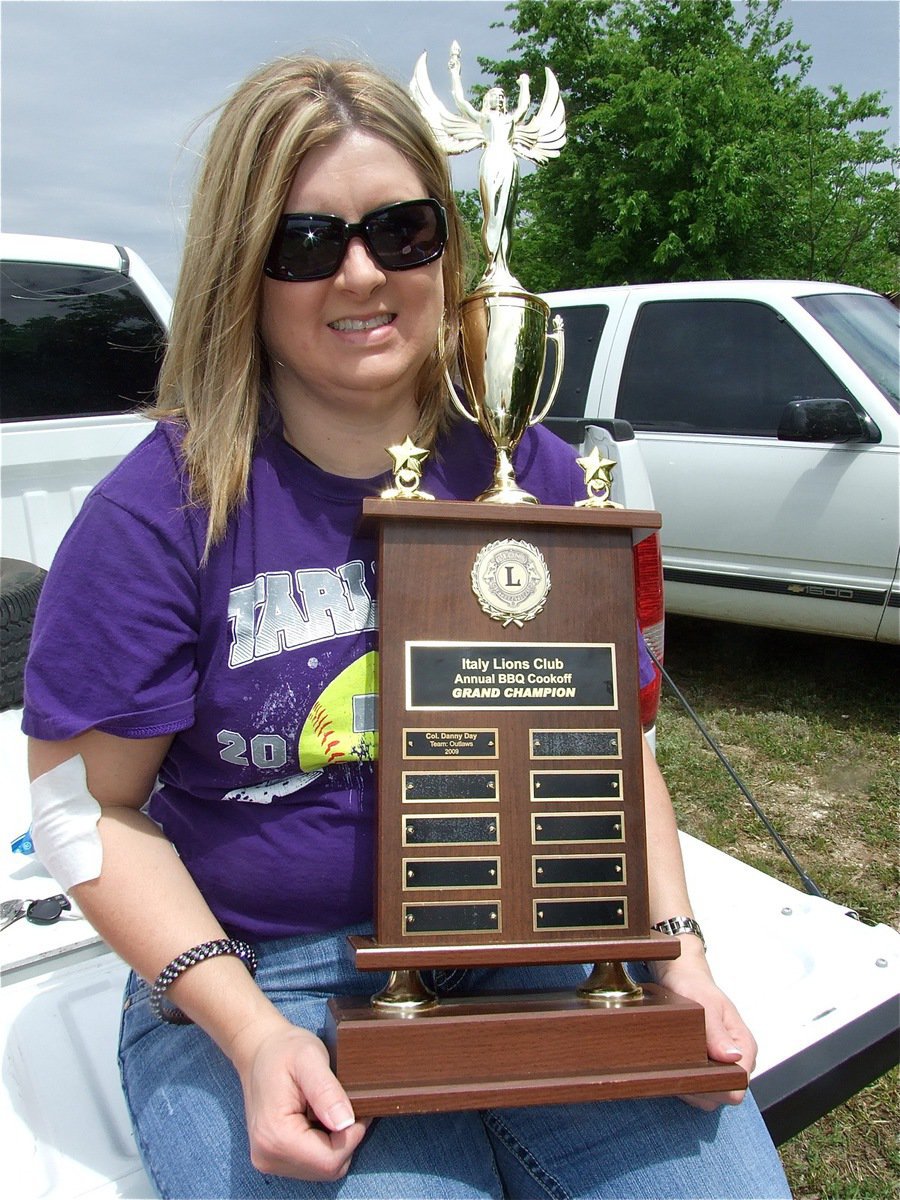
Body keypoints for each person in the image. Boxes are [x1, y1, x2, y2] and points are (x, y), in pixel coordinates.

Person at [23, 54, 790, 1200]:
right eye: (307, 242)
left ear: (450, 246)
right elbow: (89, 810)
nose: (362, 273)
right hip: (267, 972)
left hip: (541, 956)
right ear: (245, 266)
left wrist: (674, 953)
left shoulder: (528, 468)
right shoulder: (160, 509)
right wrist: (247, 1032)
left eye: (403, 230)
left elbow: (608, 742)